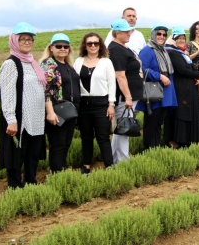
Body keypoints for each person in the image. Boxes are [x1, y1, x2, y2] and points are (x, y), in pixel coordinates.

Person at [0, 22, 47, 188]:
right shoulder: (11, 64)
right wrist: (11, 119)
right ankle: (15, 187)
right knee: (16, 155)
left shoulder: (33, 63)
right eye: (23, 39)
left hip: (36, 117)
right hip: (20, 118)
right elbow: (8, 94)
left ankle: (31, 183)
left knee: (32, 154)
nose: (27, 42)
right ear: (14, 41)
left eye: (30, 39)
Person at [74, 32, 116, 173]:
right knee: (86, 136)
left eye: (96, 43)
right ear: (85, 46)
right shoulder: (78, 61)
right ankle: (86, 165)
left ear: (100, 45)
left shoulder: (106, 62)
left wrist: (111, 105)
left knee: (102, 136)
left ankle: (109, 165)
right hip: (83, 104)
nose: (93, 46)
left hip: (101, 103)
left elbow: (112, 85)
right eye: (89, 43)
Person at [40, 33, 80, 173]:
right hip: (57, 110)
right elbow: (46, 90)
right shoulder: (49, 64)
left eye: (65, 46)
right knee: (58, 144)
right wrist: (50, 112)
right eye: (58, 46)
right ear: (51, 48)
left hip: (69, 110)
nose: (62, 49)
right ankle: (57, 174)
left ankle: (60, 171)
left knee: (66, 143)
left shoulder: (68, 64)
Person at [136, 24, 178, 150]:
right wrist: (159, 76)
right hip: (153, 90)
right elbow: (142, 69)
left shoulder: (162, 50)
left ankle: (155, 147)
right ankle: (148, 148)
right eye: (159, 34)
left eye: (164, 34)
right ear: (153, 34)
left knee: (159, 121)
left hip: (164, 90)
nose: (161, 36)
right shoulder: (147, 50)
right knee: (151, 122)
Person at [108, 19, 144, 163]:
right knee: (124, 128)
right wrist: (128, 97)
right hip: (124, 97)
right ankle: (123, 161)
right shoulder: (117, 50)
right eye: (126, 31)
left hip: (129, 95)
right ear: (117, 33)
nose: (130, 33)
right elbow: (120, 76)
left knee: (122, 128)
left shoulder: (123, 47)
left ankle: (114, 158)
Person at [164, 27, 199, 146]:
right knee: (182, 114)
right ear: (173, 39)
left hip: (189, 88)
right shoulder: (173, 53)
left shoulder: (182, 53)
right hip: (181, 89)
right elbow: (181, 70)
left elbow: (190, 67)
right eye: (179, 38)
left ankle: (189, 140)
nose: (182, 40)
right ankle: (180, 141)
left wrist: (196, 77)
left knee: (188, 113)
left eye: (183, 38)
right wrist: (198, 75)